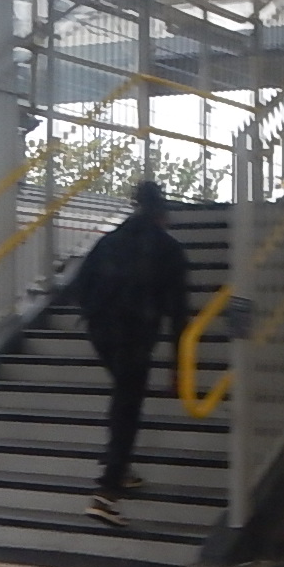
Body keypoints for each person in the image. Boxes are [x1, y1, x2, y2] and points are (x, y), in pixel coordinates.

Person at [70, 179, 194, 528]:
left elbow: (79, 284)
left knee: (123, 395)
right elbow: (179, 315)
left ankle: (119, 468)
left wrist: (97, 315)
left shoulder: (109, 240)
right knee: (128, 405)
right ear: (163, 214)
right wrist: (178, 367)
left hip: (102, 331)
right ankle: (106, 494)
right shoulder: (169, 250)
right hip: (136, 334)